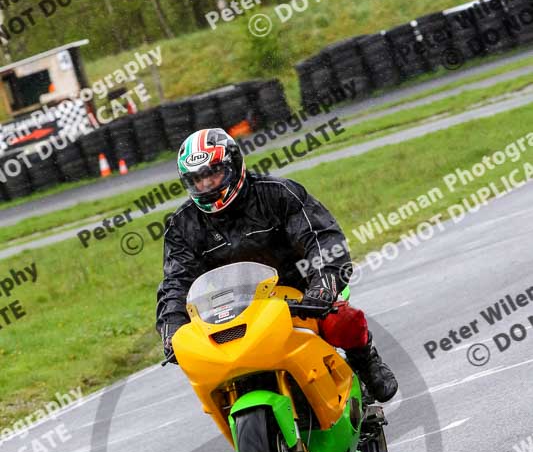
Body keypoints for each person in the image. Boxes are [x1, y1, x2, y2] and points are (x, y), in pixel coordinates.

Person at [156, 128, 398, 402]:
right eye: (197, 180)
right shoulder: (183, 225)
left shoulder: (278, 194)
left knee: (341, 319)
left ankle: (364, 359)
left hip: (299, 292)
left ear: (233, 166)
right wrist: (172, 327)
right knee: (208, 363)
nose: (207, 185)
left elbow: (321, 238)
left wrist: (322, 285)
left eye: (213, 173)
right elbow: (176, 281)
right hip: (234, 307)